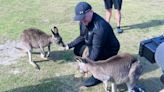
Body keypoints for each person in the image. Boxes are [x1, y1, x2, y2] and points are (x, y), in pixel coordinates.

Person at [64, 2, 120, 87]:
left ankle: (99, 75)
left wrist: (85, 65)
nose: (82, 20)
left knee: (95, 59)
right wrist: (69, 45)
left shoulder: (100, 28)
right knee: (77, 49)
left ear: (91, 12)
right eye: (80, 18)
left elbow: (96, 53)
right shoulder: (83, 21)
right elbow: (82, 36)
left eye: (83, 17)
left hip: (108, 49)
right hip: (94, 44)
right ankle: (88, 58)